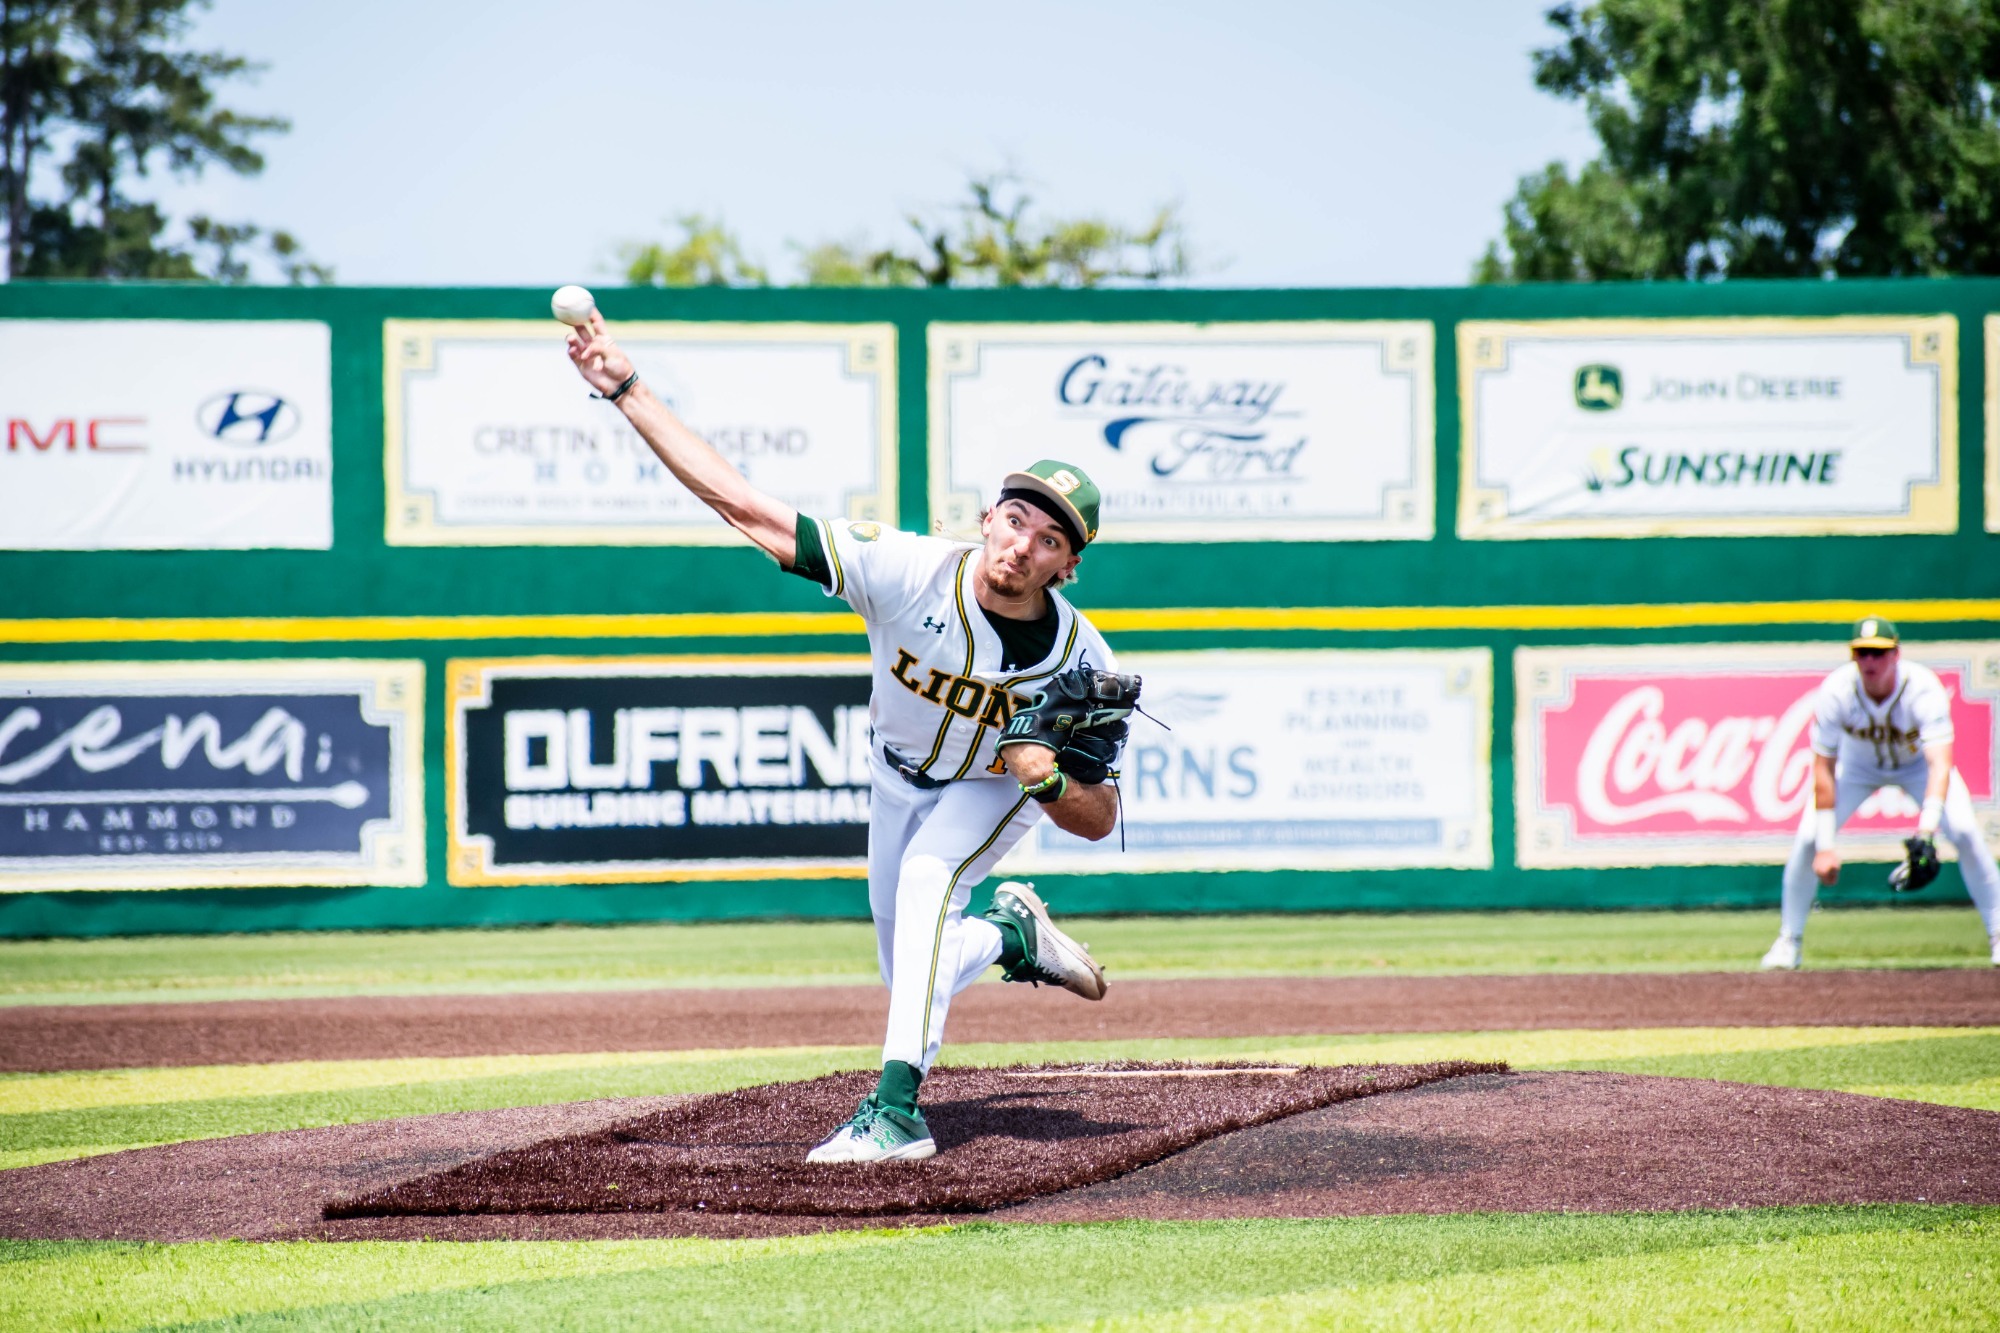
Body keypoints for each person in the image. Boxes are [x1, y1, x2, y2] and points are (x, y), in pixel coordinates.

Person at [564, 310, 1125, 1162]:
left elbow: (1098, 816)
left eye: (1050, 538)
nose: (1024, 543)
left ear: (1068, 565)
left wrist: (1047, 781)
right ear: (987, 516)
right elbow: (743, 505)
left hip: (991, 786)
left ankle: (896, 1115)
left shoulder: (1084, 660)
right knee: (912, 971)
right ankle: (1010, 937)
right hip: (896, 771)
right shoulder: (904, 570)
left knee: (932, 876)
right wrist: (627, 390)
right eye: (1017, 518)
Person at [1761, 616, 2000, 970]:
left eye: (1878, 652)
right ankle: (1788, 941)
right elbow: (1823, 767)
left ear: (1896, 654)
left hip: (1918, 767)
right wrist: (1827, 846)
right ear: (1852, 656)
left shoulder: (1922, 688)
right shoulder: (1836, 692)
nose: (1870, 661)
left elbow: (1940, 764)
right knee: (1809, 838)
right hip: (1857, 769)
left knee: (1965, 831)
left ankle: (1997, 935)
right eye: (1862, 653)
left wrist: (1926, 832)